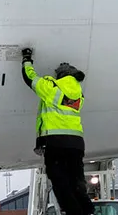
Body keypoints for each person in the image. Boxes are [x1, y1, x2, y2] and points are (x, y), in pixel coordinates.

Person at [21, 48, 94, 215]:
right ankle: (88, 211)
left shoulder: (52, 88)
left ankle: (75, 212)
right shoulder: (78, 95)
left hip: (56, 142)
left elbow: (30, 78)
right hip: (76, 142)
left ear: (60, 76)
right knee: (76, 180)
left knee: (60, 180)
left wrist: (26, 60)